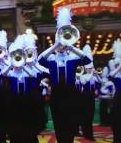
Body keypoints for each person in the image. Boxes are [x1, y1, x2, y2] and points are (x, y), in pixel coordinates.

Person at [38, 8, 91, 143]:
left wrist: (71, 46)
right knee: (59, 125)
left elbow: (87, 60)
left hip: (71, 95)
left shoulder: (73, 58)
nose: (62, 45)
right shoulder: (51, 60)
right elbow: (40, 59)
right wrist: (55, 45)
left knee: (70, 125)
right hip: (56, 95)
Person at [78, 45, 102, 141]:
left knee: (90, 116)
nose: (91, 69)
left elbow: (100, 82)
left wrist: (96, 75)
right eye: (89, 68)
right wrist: (92, 74)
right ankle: (87, 133)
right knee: (85, 116)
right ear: (86, 68)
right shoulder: (82, 76)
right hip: (84, 98)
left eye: (91, 67)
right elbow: (83, 82)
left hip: (91, 98)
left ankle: (88, 133)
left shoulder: (93, 76)